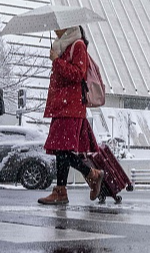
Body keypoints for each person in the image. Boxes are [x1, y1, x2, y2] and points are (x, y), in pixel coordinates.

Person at [38, 26, 104, 205]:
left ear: (69, 28)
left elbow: (77, 74)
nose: (55, 30)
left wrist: (57, 61)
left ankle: (90, 175)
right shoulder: (64, 48)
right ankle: (63, 190)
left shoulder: (78, 45)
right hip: (62, 106)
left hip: (71, 107)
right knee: (61, 151)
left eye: (58, 27)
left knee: (63, 151)